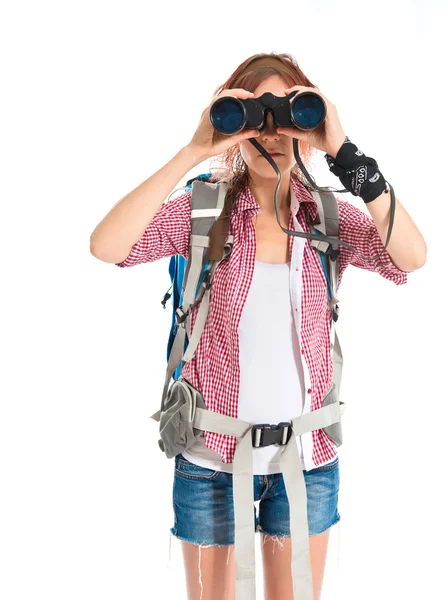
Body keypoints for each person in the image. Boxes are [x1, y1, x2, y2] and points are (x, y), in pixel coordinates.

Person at [90, 52, 427, 600]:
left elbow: (410, 256)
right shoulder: (204, 211)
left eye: (290, 116)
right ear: (232, 125)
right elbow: (108, 245)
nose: (272, 134)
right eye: (254, 117)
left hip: (307, 456)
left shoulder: (325, 218)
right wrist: (195, 150)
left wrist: (345, 155)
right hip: (209, 456)